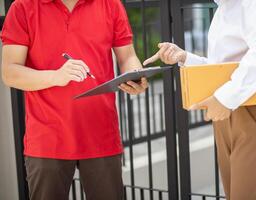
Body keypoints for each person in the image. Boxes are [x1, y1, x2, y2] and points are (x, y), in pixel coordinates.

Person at [1, 0, 148, 199]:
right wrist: (56, 77)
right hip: (47, 139)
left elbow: (127, 56)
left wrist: (134, 75)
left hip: (100, 133)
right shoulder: (23, 7)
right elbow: (10, 72)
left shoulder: (110, 4)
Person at [143, 0, 256, 199]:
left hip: (252, 115)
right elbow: (224, 68)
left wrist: (225, 98)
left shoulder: (250, 3)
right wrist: (184, 57)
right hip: (227, 119)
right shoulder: (223, 9)